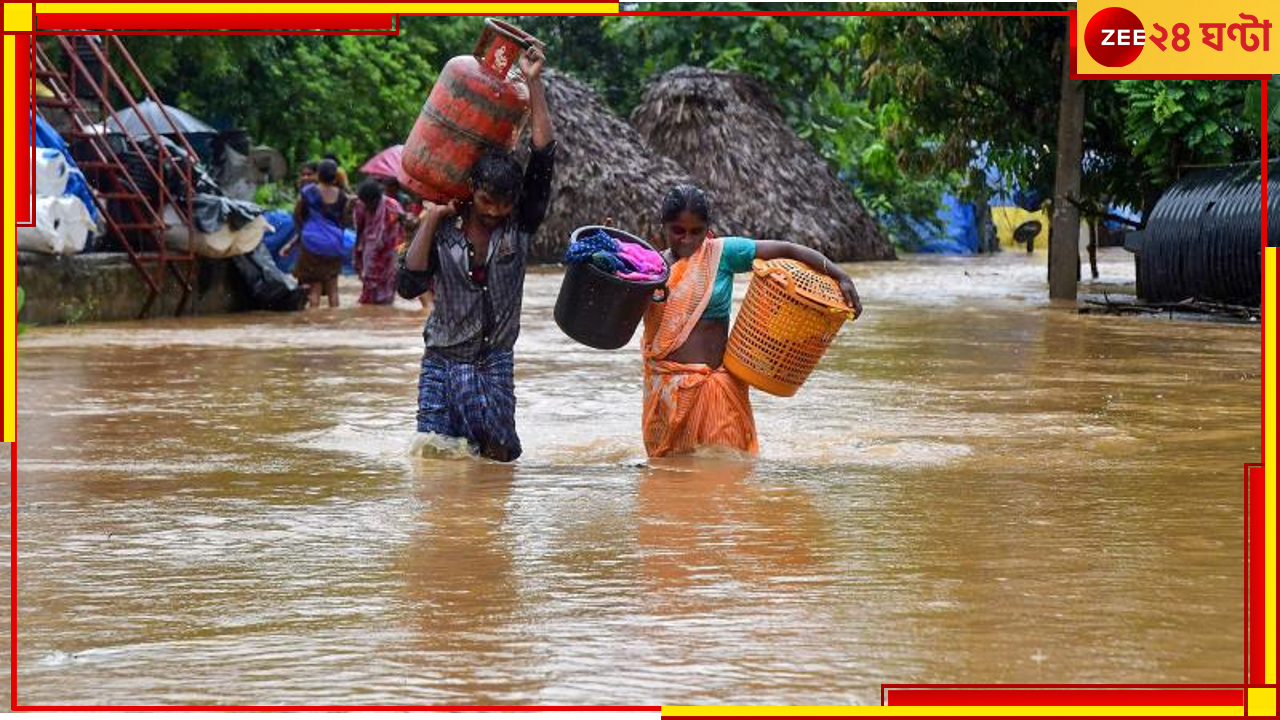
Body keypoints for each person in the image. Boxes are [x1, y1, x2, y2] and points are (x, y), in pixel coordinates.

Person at [396, 44, 554, 462]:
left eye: (504, 203)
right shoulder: (445, 228)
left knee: (500, 457)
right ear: (473, 193)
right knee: (434, 456)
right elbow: (408, 286)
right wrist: (430, 220)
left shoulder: (520, 225)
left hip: (495, 363)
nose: (496, 212)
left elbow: (543, 154)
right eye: (487, 202)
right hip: (442, 363)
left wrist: (533, 82)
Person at [640, 184, 863, 458]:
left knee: (726, 472)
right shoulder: (649, 270)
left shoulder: (721, 254)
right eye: (678, 231)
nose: (687, 239)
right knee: (668, 478)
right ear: (663, 227)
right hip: (666, 390)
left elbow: (788, 250)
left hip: (718, 389)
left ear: (708, 228)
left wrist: (841, 276)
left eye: (696, 231)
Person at [282, 158, 348, 308]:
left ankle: (315, 323)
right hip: (335, 245)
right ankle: (333, 321)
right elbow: (344, 222)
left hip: (312, 244)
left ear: (318, 175)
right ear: (334, 176)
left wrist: (303, 232)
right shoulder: (342, 196)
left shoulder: (308, 192)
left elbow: (297, 214)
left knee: (314, 287)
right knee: (333, 288)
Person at [352, 178, 406, 305]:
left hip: (390, 252)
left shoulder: (392, 205)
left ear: (377, 198)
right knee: (369, 282)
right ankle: (370, 312)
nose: (368, 206)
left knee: (388, 284)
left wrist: (402, 253)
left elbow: (403, 229)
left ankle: (384, 312)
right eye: (366, 202)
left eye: (371, 202)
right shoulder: (360, 206)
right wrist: (357, 255)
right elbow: (359, 231)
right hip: (370, 251)